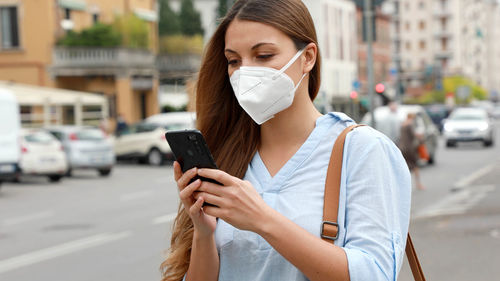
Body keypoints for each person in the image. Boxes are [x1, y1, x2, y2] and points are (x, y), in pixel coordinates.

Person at [161, 1, 411, 280]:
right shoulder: (227, 156)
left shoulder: (363, 150)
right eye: (234, 60)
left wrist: (262, 220)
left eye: (264, 55)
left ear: (308, 57)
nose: (245, 72)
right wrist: (204, 233)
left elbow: (375, 274)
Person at [399, 113, 426, 190]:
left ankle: (401, 185)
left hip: (402, 148)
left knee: (403, 166)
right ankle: (418, 184)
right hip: (410, 148)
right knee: (415, 166)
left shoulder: (402, 125)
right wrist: (421, 139)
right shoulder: (409, 125)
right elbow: (413, 135)